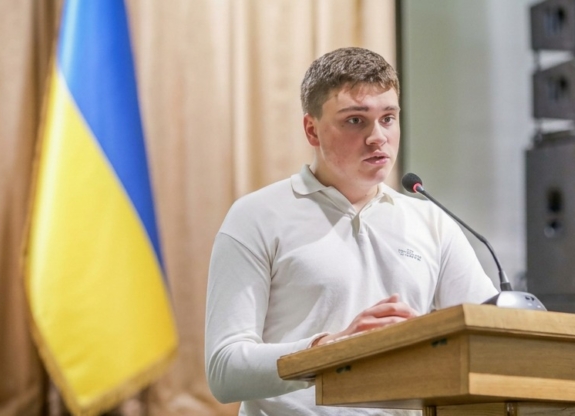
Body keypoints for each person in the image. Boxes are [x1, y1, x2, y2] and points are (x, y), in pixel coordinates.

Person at [205, 47, 498, 416]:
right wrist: (333, 350)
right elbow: (224, 371)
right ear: (312, 129)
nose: (378, 137)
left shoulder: (431, 221)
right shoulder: (256, 216)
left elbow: (490, 342)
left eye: (388, 118)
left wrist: (426, 340)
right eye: (356, 120)